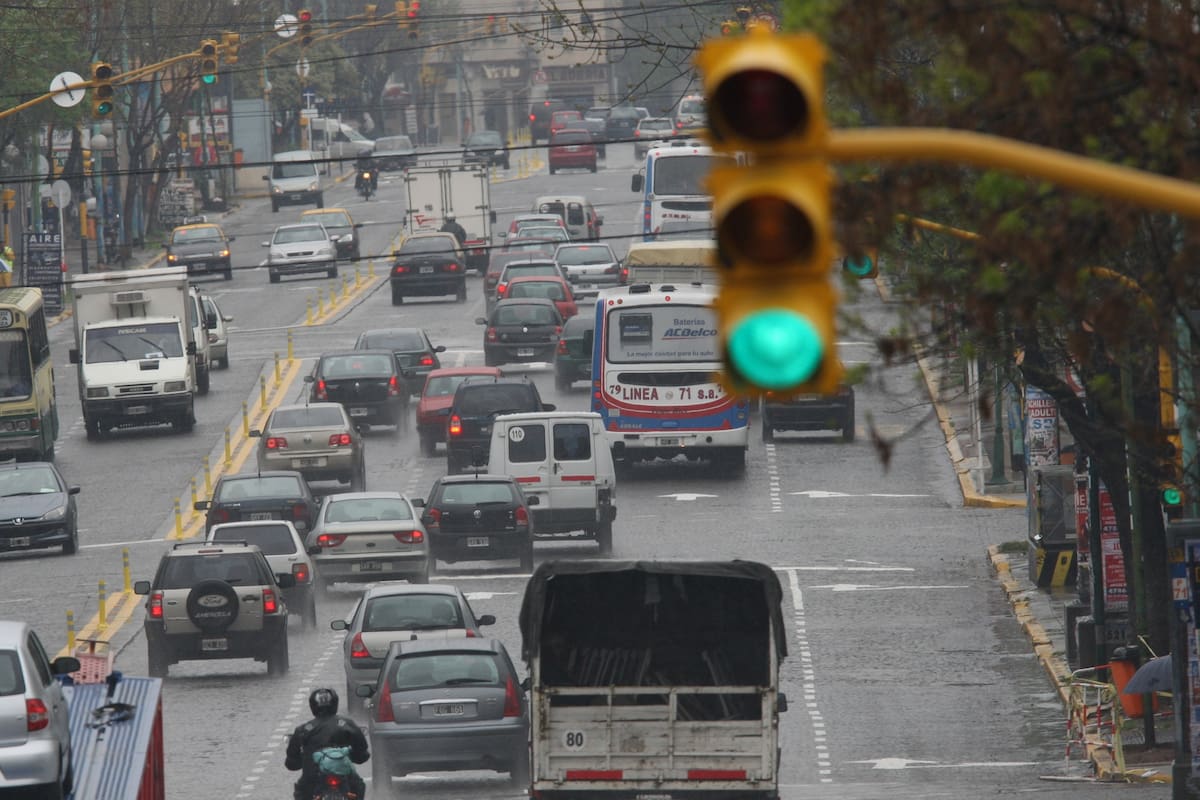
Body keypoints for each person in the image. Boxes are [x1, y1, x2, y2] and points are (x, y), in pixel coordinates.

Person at [285, 688, 369, 800]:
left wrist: (301, 760)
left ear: (313, 706)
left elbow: (291, 761)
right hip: (344, 775)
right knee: (359, 785)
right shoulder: (347, 724)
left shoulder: (303, 729)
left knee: (301, 791)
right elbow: (362, 751)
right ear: (335, 703)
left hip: (312, 777)